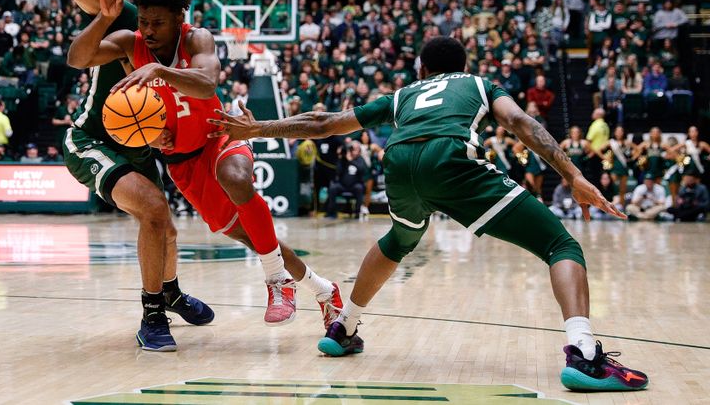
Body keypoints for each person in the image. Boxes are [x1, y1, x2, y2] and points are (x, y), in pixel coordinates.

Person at [210, 36, 647, 392]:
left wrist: (258, 128)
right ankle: (583, 353)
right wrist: (571, 175)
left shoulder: (403, 94)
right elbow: (521, 124)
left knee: (398, 241)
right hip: (450, 156)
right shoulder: (479, 83)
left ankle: (343, 328)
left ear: (421, 70)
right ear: (462, 64)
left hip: (398, 160)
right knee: (559, 243)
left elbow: (326, 123)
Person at [68, 0, 341, 338]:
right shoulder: (131, 41)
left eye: (157, 23)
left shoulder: (197, 37)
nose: (148, 30)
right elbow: (77, 58)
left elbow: (207, 83)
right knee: (253, 237)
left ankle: (276, 282)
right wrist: (103, 19)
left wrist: (161, 70)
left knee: (235, 175)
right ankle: (324, 290)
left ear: (180, 16)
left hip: (219, 133)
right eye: (143, 21)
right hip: (182, 161)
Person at [59, 0, 213, 352]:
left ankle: (170, 291)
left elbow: (201, 89)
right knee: (154, 210)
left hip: (140, 143)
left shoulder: (190, 36)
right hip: (94, 138)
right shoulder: (130, 17)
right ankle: (152, 312)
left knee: (166, 227)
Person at [326, 141, 368, 219]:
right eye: (352, 149)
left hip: (355, 185)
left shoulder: (360, 159)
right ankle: (332, 213)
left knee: (359, 188)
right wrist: (342, 158)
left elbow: (362, 170)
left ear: (359, 151)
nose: (354, 152)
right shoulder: (343, 159)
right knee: (333, 188)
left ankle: (357, 213)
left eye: (356, 149)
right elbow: (338, 171)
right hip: (342, 185)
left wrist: (351, 161)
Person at [599, 125, 634, 206]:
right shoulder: (611, 142)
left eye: (621, 131)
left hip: (624, 167)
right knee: (614, 186)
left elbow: (637, 149)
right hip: (614, 167)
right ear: (614, 132)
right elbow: (598, 150)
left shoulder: (627, 142)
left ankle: (621, 206)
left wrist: (632, 158)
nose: (619, 133)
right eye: (617, 131)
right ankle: (611, 203)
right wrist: (604, 157)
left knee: (623, 189)